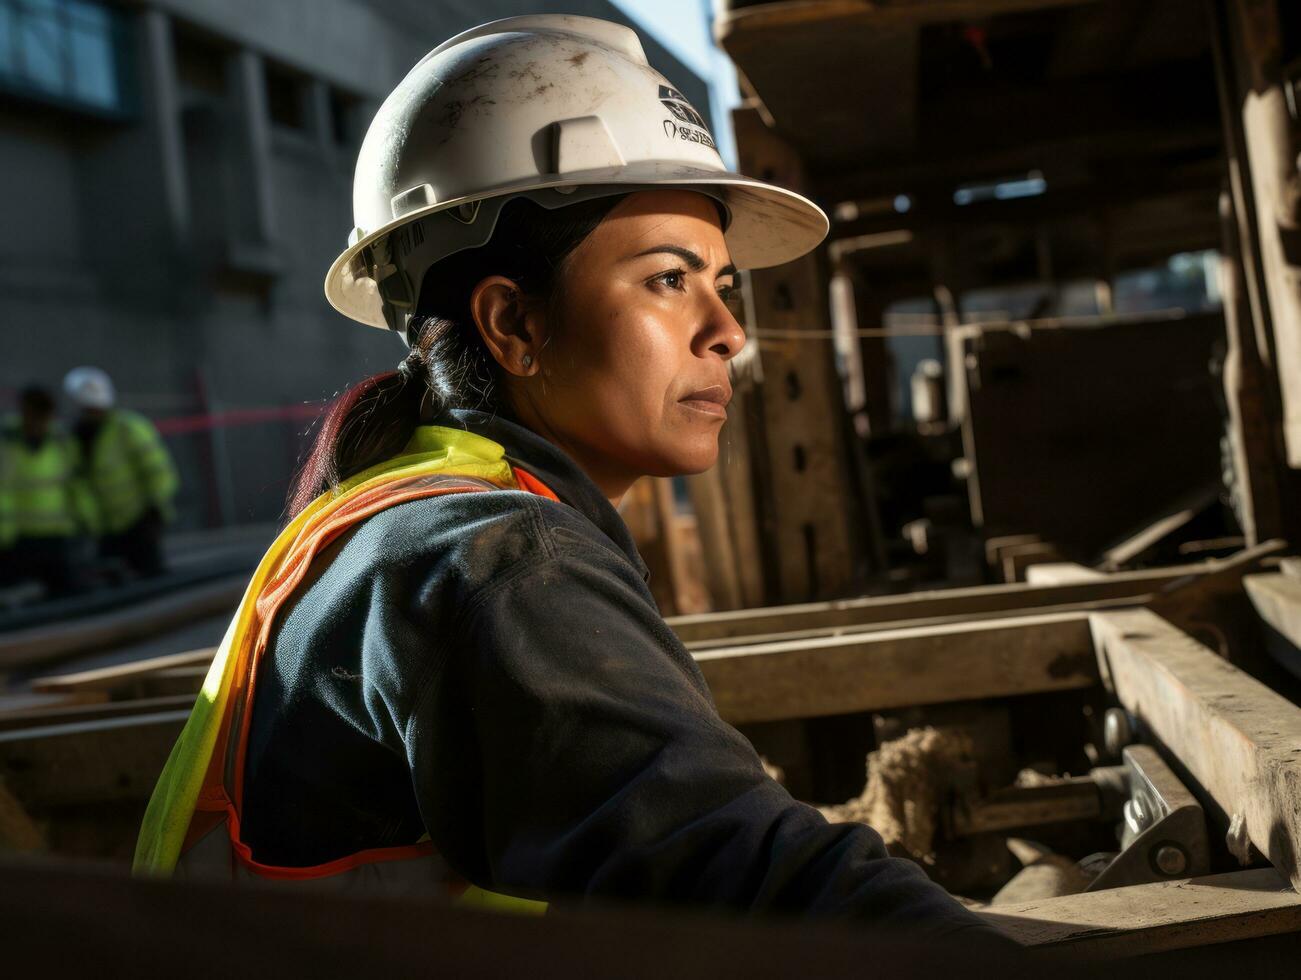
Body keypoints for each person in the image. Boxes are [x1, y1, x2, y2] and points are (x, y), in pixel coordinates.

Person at [135, 15, 1011, 947]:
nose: (727, 331)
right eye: (669, 279)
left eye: (724, 283)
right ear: (513, 323)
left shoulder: (411, 518)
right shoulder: (498, 558)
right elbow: (739, 876)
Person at [63, 366, 178, 578]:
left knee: (151, 577)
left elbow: (157, 471)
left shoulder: (128, 428)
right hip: (106, 528)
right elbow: (78, 484)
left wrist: (154, 509)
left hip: (140, 521)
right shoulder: (77, 439)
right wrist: (89, 522)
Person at [0, 385, 96, 597]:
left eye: (44, 418)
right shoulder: (6, 442)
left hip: (57, 538)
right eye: (35, 416)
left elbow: (76, 486)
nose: (39, 424)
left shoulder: (61, 443)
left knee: (70, 595)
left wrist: (89, 522)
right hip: (17, 540)